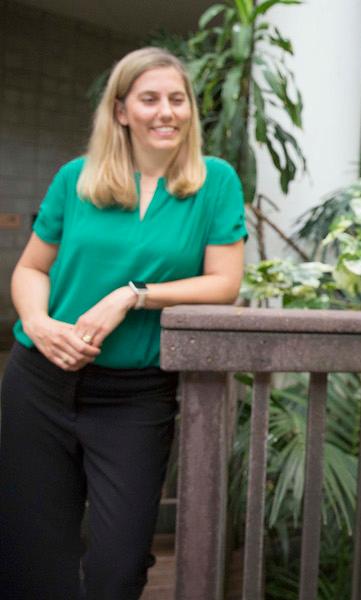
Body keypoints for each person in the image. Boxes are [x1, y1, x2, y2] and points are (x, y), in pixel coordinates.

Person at [0, 47, 246, 599]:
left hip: (135, 396)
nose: (167, 112)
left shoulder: (215, 181)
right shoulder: (76, 179)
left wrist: (133, 295)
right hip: (39, 383)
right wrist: (38, 323)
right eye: (150, 99)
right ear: (120, 111)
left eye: (177, 100)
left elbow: (224, 283)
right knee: (32, 558)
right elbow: (31, 269)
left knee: (119, 564)